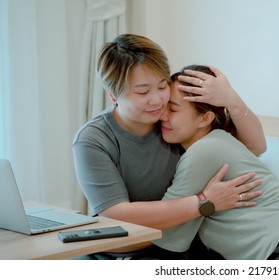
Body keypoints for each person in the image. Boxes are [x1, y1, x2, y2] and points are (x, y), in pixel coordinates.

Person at [72, 34, 266, 259]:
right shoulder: (93, 140)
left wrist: (231, 99)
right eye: (143, 92)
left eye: (162, 86)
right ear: (113, 95)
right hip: (129, 250)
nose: (157, 101)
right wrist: (204, 202)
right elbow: (117, 214)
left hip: (187, 242)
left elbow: (256, 147)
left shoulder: (173, 121)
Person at [154, 65, 279, 260]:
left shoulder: (204, 151)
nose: (162, 115)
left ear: (205, 118)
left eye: (172, 109)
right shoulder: (222, 141)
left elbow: (167, 236)